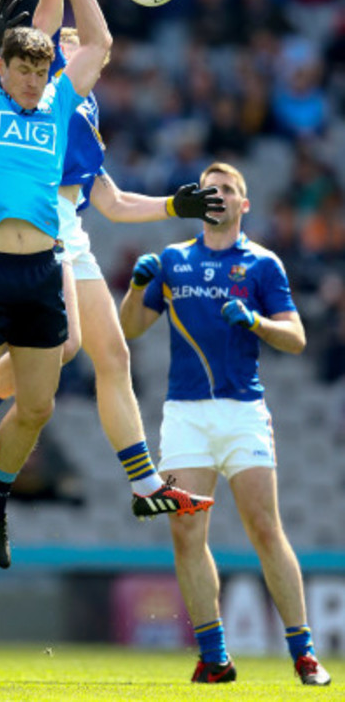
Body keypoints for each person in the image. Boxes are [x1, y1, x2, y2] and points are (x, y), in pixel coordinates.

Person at [0, 0, 221, 532]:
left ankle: (144, 484)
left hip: (70, 229)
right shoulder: (43, 83)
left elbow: (105, 200)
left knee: (111, 356)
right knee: (73, 348)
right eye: (70, 40)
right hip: (30, 221)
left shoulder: (85, 116)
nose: (81, 44)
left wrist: (175, 207)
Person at [119, 161, 331, 687]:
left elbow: (297, 337)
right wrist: (134, 286)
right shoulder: (172, 261)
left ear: (244, 204)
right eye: (210, 189)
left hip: (242, 412)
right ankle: (215, 658)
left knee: (264, 528)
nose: (218, 195)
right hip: (185, 414)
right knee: (186, 531)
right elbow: (129, 330)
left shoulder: (263, 265)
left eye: (228, 190)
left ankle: (304, 654)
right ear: (200, 200)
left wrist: (256, 322)